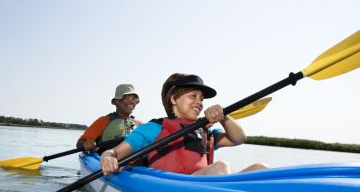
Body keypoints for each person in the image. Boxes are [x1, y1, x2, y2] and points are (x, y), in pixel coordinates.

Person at [100, 73, 267, 175]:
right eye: (192, 96)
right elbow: (114, 152)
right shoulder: (154, 129)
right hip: (171, 189)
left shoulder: (205, 132)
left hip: (202, 188)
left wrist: (224, 117)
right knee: (221, 167)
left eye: (201, 99)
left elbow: (239, 138)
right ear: (174, 99)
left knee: (261, 169)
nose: (199, 102)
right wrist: (107, 158)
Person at [76, 84, 143, 152]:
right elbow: (80, 143)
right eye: (128, 97)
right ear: (117, 101)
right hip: (110, 160)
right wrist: (86, 144)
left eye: (135, 99)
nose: (132, 101)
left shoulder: (140, 124)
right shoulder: (103, 121)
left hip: (139, 161)